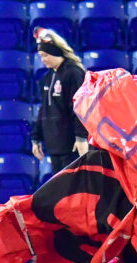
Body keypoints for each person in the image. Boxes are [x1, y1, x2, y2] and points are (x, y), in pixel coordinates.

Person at [30, 29, 89, 173]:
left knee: (74, 188)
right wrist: (36, 138)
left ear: (55, 52)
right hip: (55, 144)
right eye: (41, 56)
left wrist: (81, 137)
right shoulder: (47, 78)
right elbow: (44, 109)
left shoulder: (73, 73)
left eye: (45, 55)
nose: (43, 60)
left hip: (71, 144)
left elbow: (80, 107)